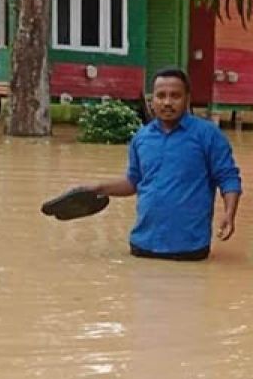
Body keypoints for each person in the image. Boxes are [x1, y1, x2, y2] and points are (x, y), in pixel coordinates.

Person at [85, 67, 242, 261]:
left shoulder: (208, 135)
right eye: (161, 96)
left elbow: (228, 178)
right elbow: (133, 182)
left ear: (187, 99)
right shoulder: (141, 138)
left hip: (189, 250)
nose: (167, 102)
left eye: (175, 96)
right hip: (143, 246)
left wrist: (229, 214)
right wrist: (99, 188)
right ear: (152, 100)